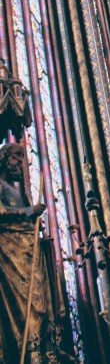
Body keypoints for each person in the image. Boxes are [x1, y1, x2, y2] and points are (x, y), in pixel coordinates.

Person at [0, 143, 50, 362]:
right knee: (21, 304)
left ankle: (37, 348)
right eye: (18, 156)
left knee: (37, 301)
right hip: (10, 255)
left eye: (23, 157)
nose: (22, 163)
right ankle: (26, 348)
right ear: (5, 159)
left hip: (27, 252)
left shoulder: (19, 193)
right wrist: (28, 211)